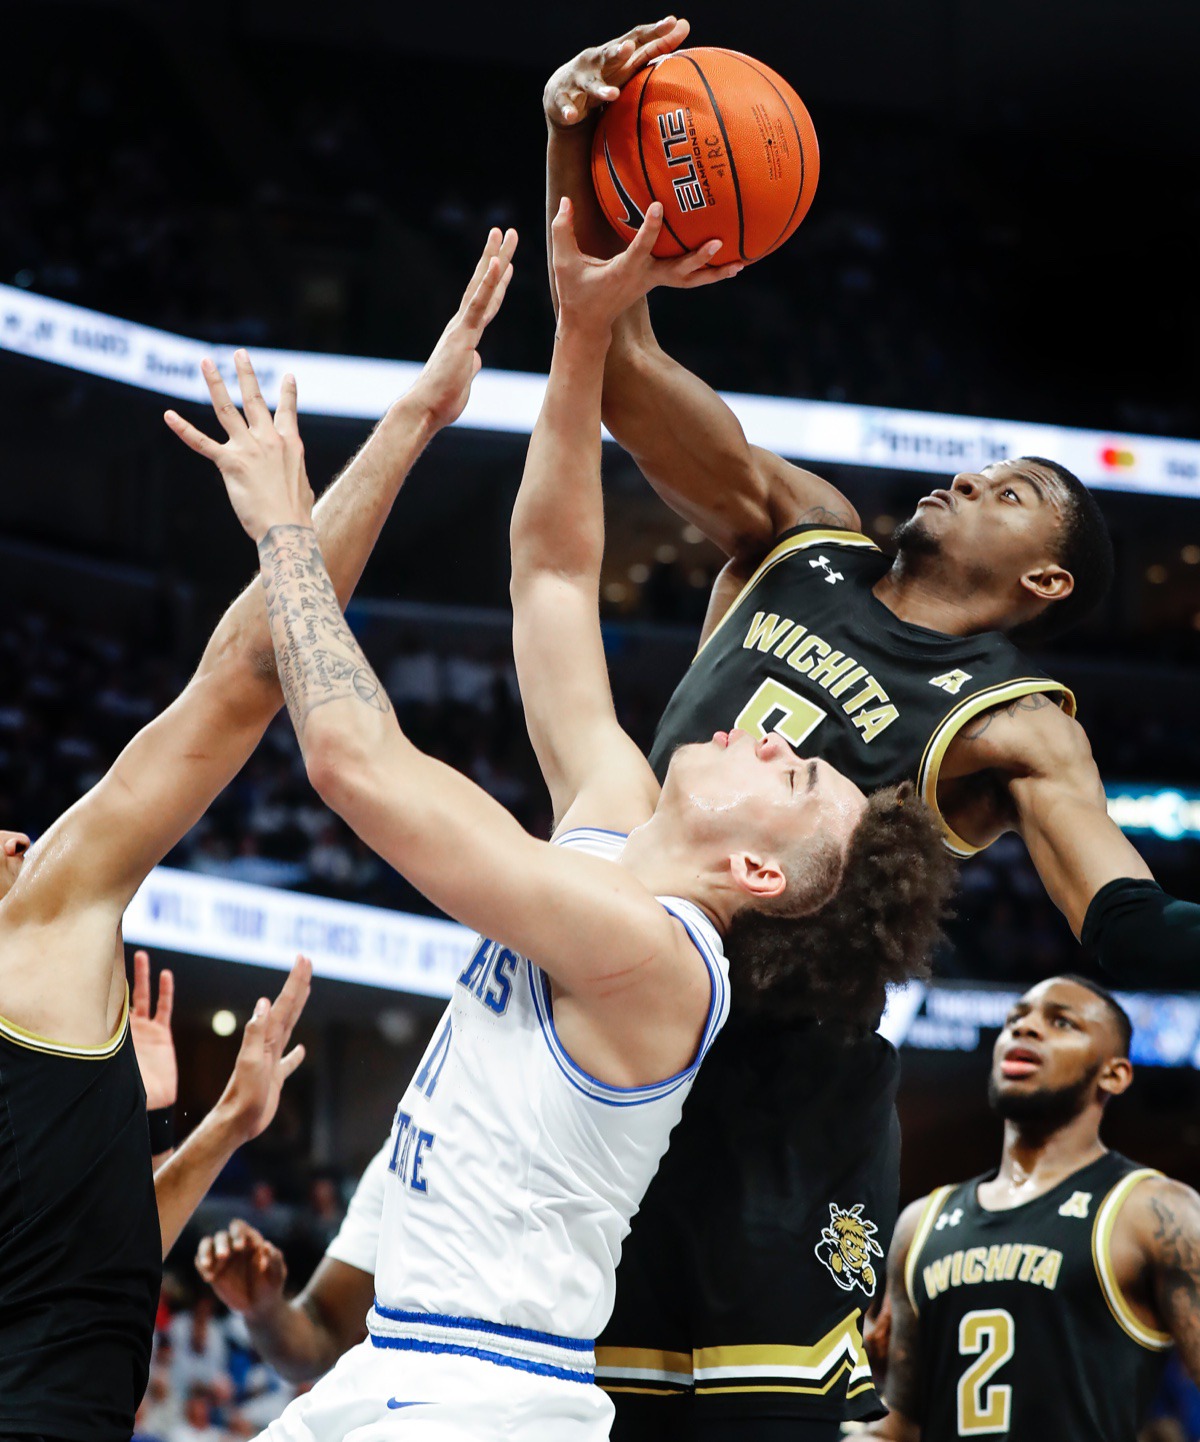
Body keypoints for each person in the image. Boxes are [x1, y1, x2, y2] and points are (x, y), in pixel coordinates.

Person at [191, 205, 954, 1441]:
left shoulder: (654, 955)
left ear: (757, 867)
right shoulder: (610, 816)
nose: (776, 733)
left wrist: (287, 528)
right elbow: (551, 571)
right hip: (402, 1365)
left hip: (486, 1397)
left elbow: (352, 759)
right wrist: (585, 331)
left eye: (800, 773)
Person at [541, 19, 1200, 1439]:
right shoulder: (799, 536)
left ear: (1044, 579)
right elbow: (628, 374)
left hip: (787, 1088)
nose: (973, 475)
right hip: (619, 1027)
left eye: (1016, 488)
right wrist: (582, 162)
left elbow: (1129, 926)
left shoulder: (1012, 719)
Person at [0, 227, 517, 1442]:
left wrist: (224, 1129)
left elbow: (81, 1268)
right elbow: (245, 676)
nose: (22, 835)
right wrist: (406, 427)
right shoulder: (36, 921)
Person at [858, 975, 1200, 1440]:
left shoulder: (1154, 1211)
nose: (1026, 1029)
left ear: (1114, 1073)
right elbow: (894, 1431)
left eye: (1062, 1022)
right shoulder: (922, 1223)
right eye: (1015, 1020)